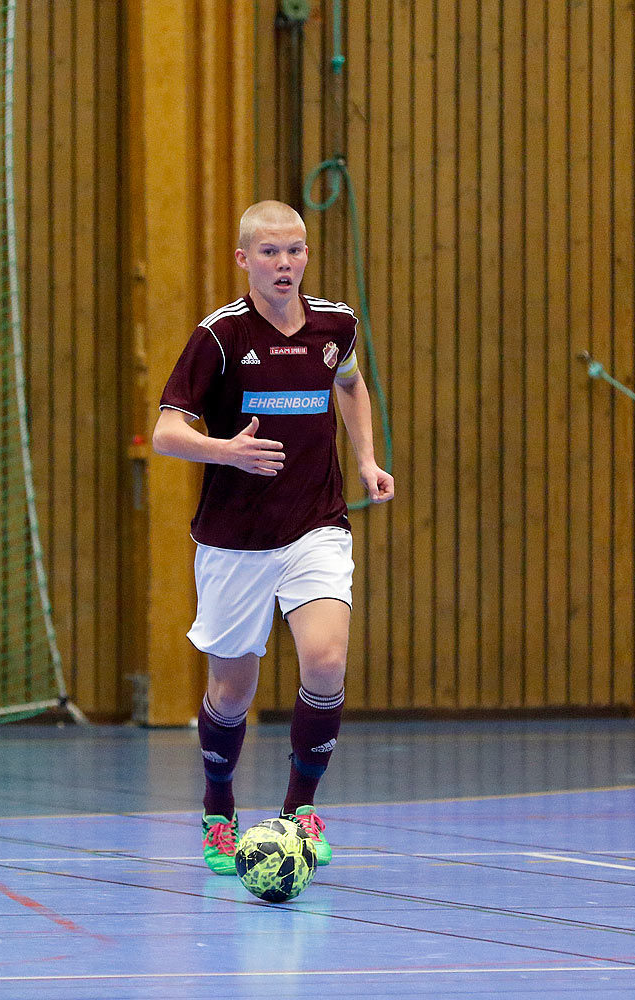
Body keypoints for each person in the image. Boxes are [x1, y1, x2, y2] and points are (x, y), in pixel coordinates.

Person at [152, 200, 395, 876]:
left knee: (324, 662)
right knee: (232, 691)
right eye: (269, 253)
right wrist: (226, 452)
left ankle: (299, 811)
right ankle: (217, 807)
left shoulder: (335, 324)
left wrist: (367, 459)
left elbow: (349, 384)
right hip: (234, 538)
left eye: (295, 251)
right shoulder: (220, 337)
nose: (284, 264)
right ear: (244, 260)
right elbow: (167, 432)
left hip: (314, 526)